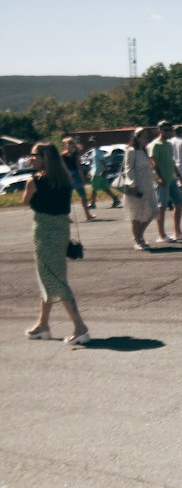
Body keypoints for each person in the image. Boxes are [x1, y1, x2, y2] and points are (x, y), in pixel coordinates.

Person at [22, 142, 91, 344]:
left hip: (44, 232)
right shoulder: (66, 178)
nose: (30, 158)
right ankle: (42, 324)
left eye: (34, 155)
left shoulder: (33, 181)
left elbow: (25, 202)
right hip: (61, 230)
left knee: (54, 279)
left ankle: (80, 327)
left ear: (45, 157)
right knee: (50, 276)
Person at [148, 120, 182, 243]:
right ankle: (162, 234)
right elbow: (153, 164)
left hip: (171, 179)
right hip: (161, 181)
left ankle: (177, 232)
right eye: (165, 129)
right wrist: (160, 178)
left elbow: (171, 161)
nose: (168, 132)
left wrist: (179, 175)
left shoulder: (169, 144)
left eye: (169, 129)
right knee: (162, 207)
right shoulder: (155, 145)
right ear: (159, 130)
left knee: (179, 202)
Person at [120, 127, 158, 250]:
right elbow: (128, 169)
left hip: (148, 185)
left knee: (152, 212)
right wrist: (133, 185)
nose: (146, 139)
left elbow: (149, 168)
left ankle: (139, 236)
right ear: (137, 137)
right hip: (137, 186)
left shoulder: (145, 150)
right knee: (136, 215)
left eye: (147, 136)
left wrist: (157, 179)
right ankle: (138, 240)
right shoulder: (131, 151)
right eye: (143, 136)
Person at [61, 135, 96, 222]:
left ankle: (66, 216)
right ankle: (88, 215)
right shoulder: (75, 153)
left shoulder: (63, 155)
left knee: (67, 197)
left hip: (67, 175)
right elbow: (78, 166)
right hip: (75, 175)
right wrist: (82, 178)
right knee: (82, 195)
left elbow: (63, 167)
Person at [88, 138, 121, 210]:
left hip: (98, 173)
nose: (92, 144)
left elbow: (103, 161)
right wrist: (90, 171)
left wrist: (105, 170)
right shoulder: (94, 151)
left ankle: (93, 203)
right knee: (105, 188)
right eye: (91, 142)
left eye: (93, 142)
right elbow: (95, 163)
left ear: (97, 143)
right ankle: (116, 199)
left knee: (94, 188)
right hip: (96, 172)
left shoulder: (98, 151)